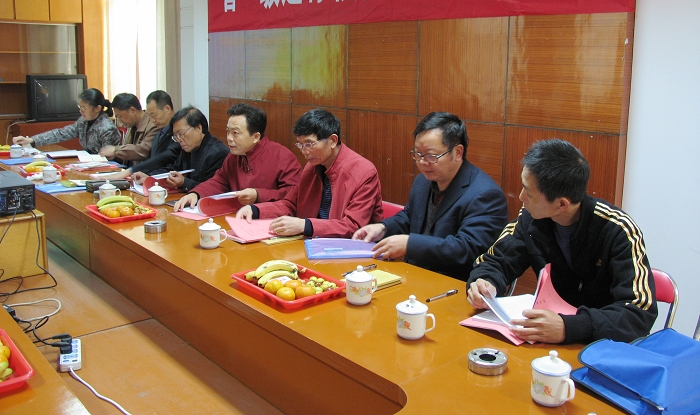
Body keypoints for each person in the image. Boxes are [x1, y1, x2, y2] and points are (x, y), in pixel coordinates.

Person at [467, 139, 657, 345]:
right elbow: (496, 260)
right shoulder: (532, 218)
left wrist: (569, 327)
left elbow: (639, 313)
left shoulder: (618, 230)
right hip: (545, 341)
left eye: (528, 192)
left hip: (599, 346)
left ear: (562, 204)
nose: (521, 197)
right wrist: (485, 281)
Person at [353, 112, 508, 281]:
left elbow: (467, 249)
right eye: (417, 154)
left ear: (457, 152)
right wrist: (382, 228)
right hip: (414, 276)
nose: (422, 162)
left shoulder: (485, 194)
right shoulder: (423, 181)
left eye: (431, 156)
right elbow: (410, 217)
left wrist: (410, 244)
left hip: (454, 284)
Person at [237, 109, 383, 238]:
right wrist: (255, 210)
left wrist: (305, 225)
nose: (304, 151)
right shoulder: (312, 167)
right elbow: (291, 204)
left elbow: (353, 227)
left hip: (350, 250)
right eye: (300, 144)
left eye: (309, 144)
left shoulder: (363, 173)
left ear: (333, 140)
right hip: (314, 242)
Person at [173, 103, 301, 211]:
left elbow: (294, 194)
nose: (229, 138)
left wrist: (258, 195)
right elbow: (218, 181)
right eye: (228, 132)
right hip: (238, 216)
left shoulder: (282, 156)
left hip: (270, 220)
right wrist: (196, 193)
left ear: (256, 137)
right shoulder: (233, 157)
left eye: (235, 133)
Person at [133, 105, 228, 192]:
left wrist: (184, 182)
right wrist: (150, 177)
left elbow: (212, 189)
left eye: (181, 134)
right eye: (175, 136)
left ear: (198, 128)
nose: (179, 140)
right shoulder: (189, 148)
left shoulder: (218, 154)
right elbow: (174, 169)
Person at [97, 90, 180, 180]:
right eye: (150, 116)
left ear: (167, 109)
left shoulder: (169, 130)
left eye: (154, 115)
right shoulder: (160, 130)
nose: (152, 120)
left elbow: (163, 158)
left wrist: (130, 171)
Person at [13, 88, 120, 154]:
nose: (81, 111)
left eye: (84, 108)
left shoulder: (107, 128)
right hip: (89, 165)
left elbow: (108, 157)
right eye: (80, 107)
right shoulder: (83, 121)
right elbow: (61, 133)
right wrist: (31, 140)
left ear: (97, 108)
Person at [99, 93, 158, 167]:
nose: (120, 121)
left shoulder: (153, 125)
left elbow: (143, 151)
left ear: (132, 111)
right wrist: (114, 155)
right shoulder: (132, 126)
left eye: (120, 116)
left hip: (143, 171)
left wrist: (116, 150)